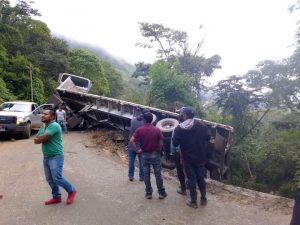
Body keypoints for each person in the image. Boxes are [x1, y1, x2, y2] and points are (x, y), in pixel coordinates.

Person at [34, 109, 77, 205]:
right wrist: (40, 138)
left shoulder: (55, 126)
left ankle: (72, 190)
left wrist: (40, 138)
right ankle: (56, 197)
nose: (43, 115)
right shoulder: (44, 125)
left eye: (45, 114)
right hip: (46, 156)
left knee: (57, 178)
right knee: (49, 179)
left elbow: (42, 138)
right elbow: (36, 140)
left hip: (56, 156)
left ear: (52, 117)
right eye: (43, 113)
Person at [173, 107, 210, 208]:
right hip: (201, 157)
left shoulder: (179, 129)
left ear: (184, 115)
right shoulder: (202, 126)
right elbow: (208, 138)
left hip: (188, 158)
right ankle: (203, 199)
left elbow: (175, 143)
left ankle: (193, 201)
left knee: (191, 179)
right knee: (201, 178)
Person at [130, 112, 167, 200]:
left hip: (144, 155)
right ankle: (161, 193)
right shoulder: (157, 130)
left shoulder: (140, 130)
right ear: (152, 120)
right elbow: (161, 142)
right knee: (158, 174)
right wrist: (159, 150)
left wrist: (137, 150)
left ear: (144, 120)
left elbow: (132, 141)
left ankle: (148, 193)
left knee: (146, 174)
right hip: (155, 154)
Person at [127, 110, 149, 181]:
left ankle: (131, 176)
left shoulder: (133, 120)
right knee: (142, 161)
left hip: (131, 142)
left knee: (131, 160)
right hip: (140, 144)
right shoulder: (144, 123)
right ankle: (141, 177)